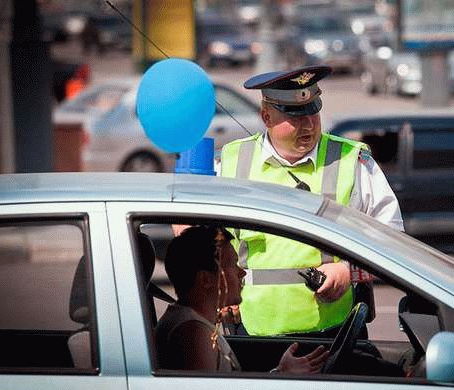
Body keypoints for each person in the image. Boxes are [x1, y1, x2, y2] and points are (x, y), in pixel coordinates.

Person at [216, 65, 404, 337]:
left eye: (313, 112)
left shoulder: (352, 161)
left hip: (334, 335)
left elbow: (394, 241)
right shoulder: (231, 162)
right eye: (294, 116)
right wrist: (222, 288)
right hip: (253, 335)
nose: (308, 124)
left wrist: (349, 272)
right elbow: (210, 240)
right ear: (266, 116)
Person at [156, 226, 328, 373]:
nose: (242, 272)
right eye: (232, 264)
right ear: (206, 280)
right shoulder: (193, 333)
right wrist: (281, 375)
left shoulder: (194, 323)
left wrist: (280, 372)